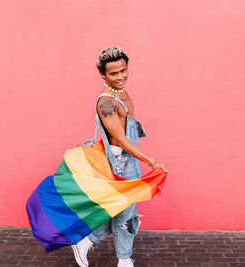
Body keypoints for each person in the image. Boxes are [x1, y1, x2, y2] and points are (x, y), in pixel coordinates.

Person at [72, 47, 166, 267]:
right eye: (114, 73)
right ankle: (123, 260)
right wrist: (150, 160)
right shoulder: (106, 103)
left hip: (128, 159)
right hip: (119, 163)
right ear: (103, 76)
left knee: (119, 210)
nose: (121, 76)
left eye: (123, 70)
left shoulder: (121, 92)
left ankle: (86, 241)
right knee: (125, 212)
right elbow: (122, 140)